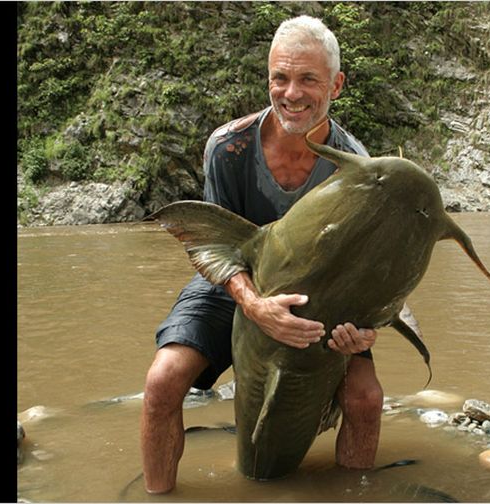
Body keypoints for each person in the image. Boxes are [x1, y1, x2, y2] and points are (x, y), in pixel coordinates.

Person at [140, 15, 384, 494]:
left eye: (308, 79)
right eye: (280, 78)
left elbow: (365, 265)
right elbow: (214, 246)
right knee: (162, 381)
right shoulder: (228, 147)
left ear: (336, 85)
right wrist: (254, 306)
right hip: (234, 279)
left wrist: (364, 326)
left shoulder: (358, 167)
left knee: (365, 399)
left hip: (315, 293)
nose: (291, 93)